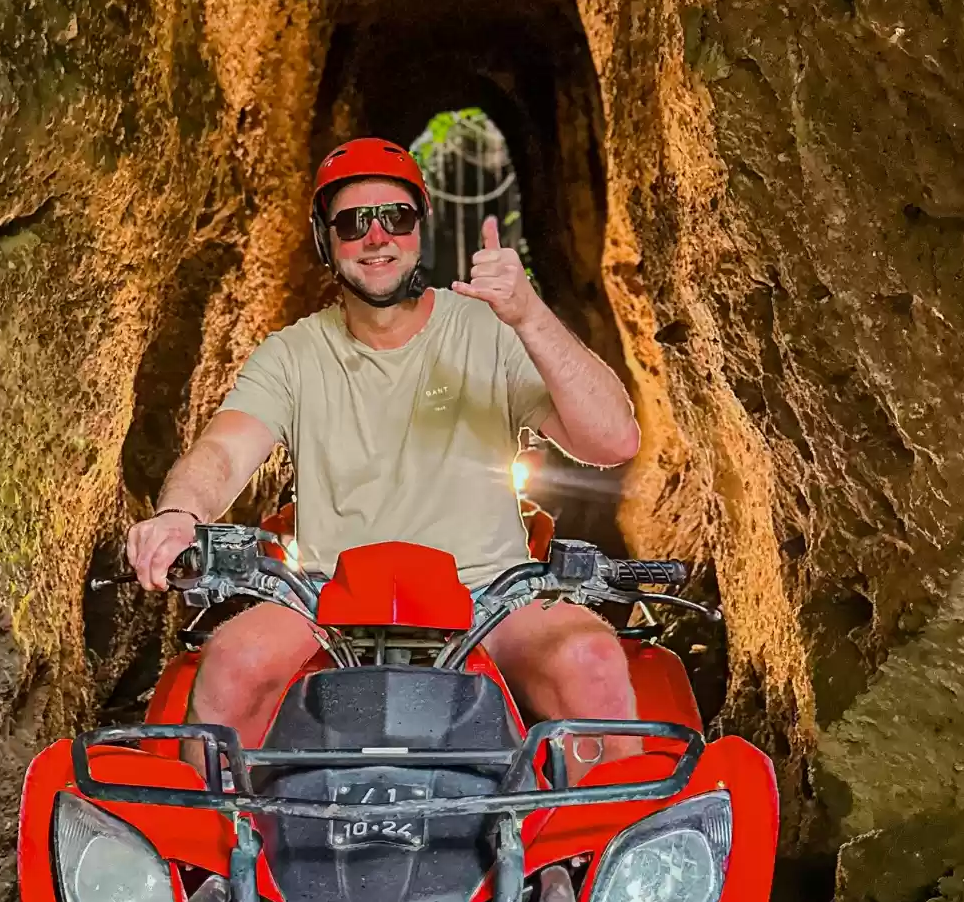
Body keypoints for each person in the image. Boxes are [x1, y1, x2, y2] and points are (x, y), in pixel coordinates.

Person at [126, 136, 642, 748]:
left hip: (490, 591)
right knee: (232, 663)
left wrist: (529, 314)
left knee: (592, 662)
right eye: (353, 223)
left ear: (419, 228)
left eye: (395, 218)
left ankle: (609, 843)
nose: (377, 238)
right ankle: (214, 841)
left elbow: (613, 440)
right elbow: (222, 451)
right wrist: (180, 514)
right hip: (327, 597)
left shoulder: (489, 329)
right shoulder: (293, 354)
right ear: (326, 239)